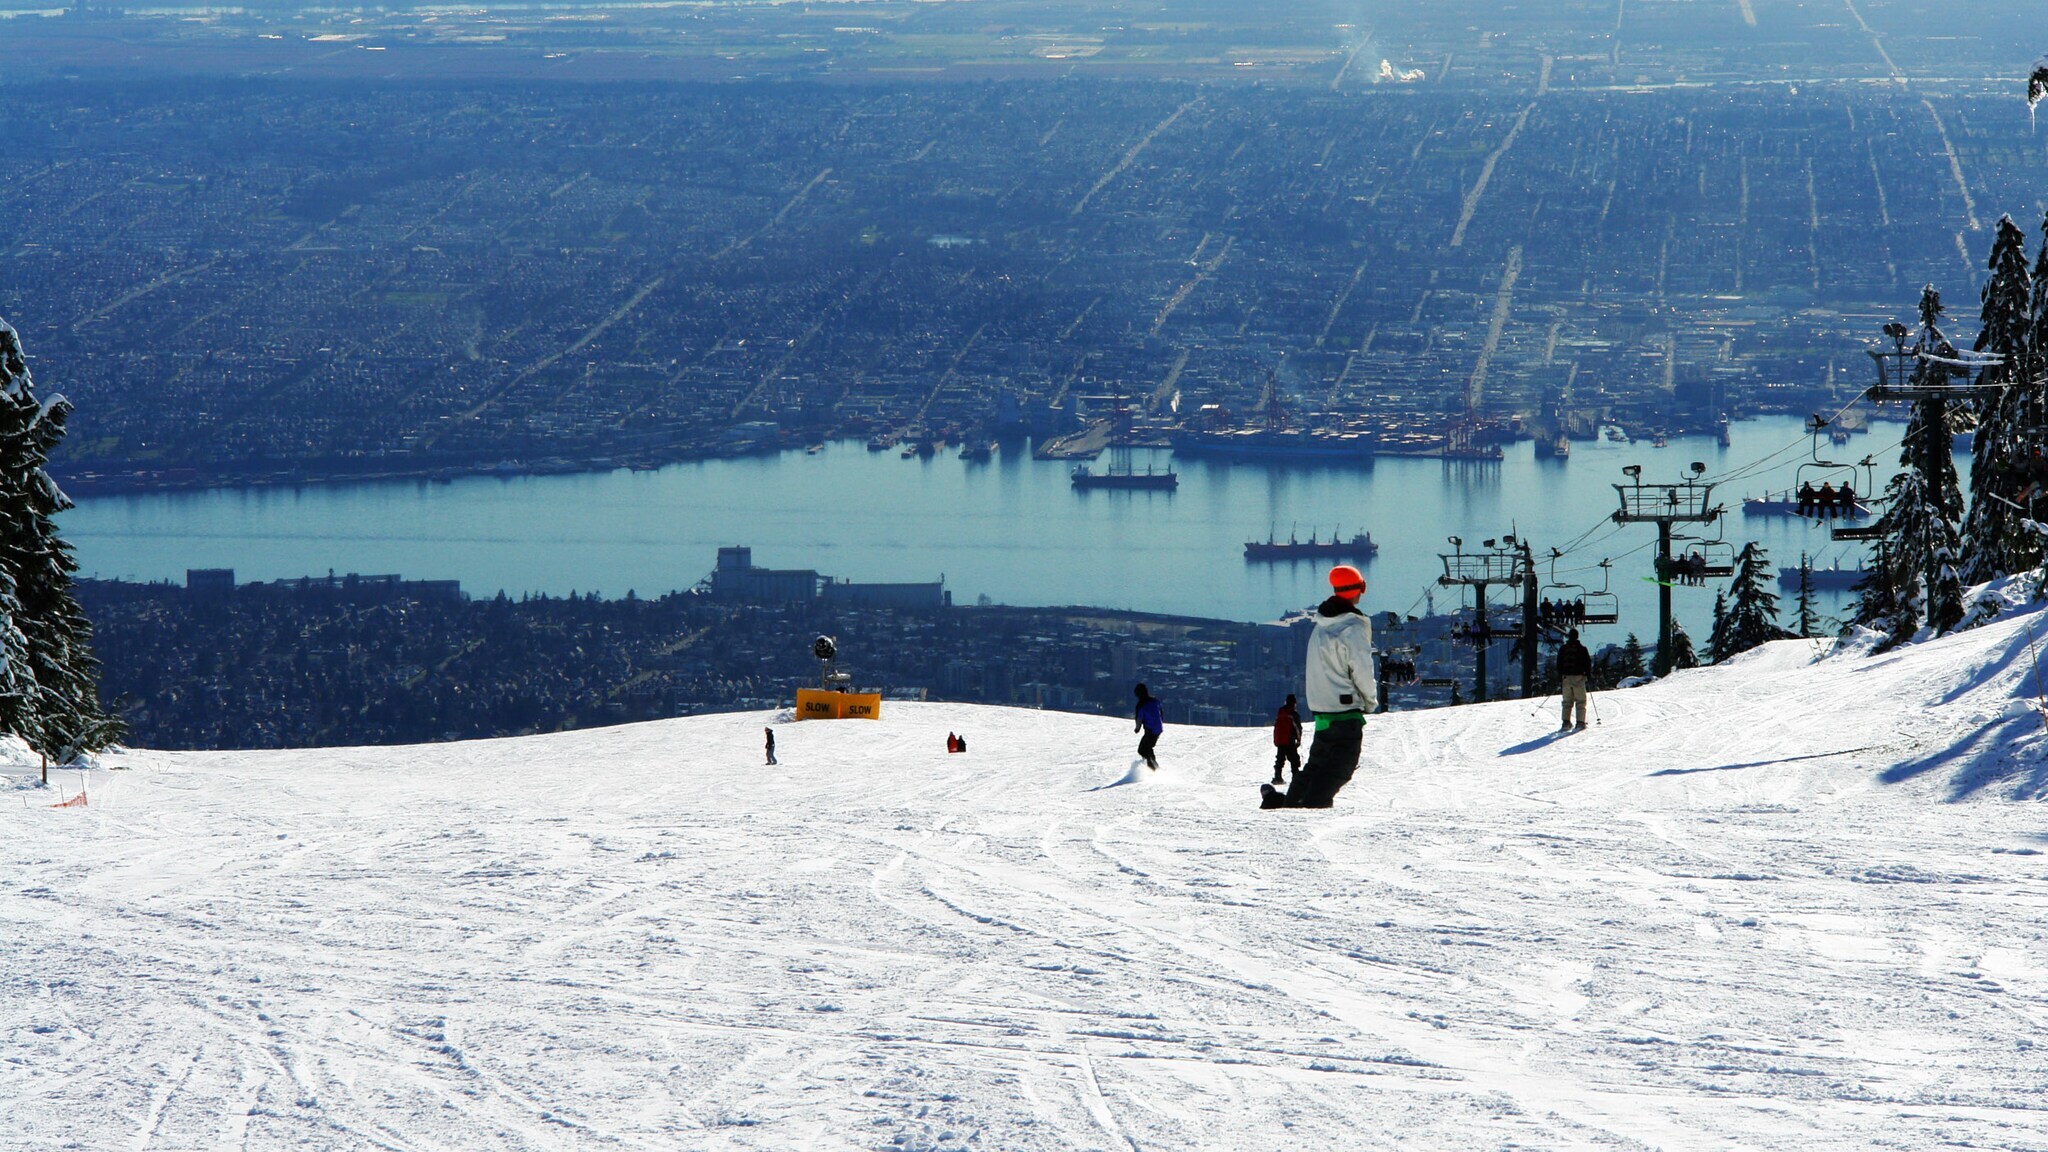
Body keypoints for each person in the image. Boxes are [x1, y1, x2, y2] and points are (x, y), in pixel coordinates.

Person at [1263, 565, 1377, 809]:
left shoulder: (1321, 626)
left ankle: (1289, 803)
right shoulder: (1352, 628)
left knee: (1317, 764)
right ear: (1360, 589)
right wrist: (1370, 700)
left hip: (1322, 709)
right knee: (1342, 766)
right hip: (1344, 708)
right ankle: (1313, 805)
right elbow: (1362, 668)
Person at [1557, 628, 1592, 731]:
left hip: (1566, 678)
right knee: (1580, 701)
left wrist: (1560, 677)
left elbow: (1559, 663)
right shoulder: (1582, 649)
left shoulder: (1563, 649)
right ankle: (1580, 723)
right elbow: (1587, 664)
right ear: (1577, 636)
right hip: (1579, 677)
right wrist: (1589, 676)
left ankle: (1566, 723)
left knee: (1567, 701)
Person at [1271, 694, 1303, 786]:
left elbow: (1276, 727)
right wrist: (1299, 739)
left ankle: (1277, 777)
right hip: (1289, 740)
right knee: (1294, 760)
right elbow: (1298, 728)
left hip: (1280, 740)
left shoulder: (1280, 712)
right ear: (1294, 703)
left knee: (1280, 759)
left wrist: (1275, 739)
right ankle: (1295, 778)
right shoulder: (1293, 714)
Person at [1132, 683, 1163, 770]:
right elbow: (1161, 711)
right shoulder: (1155, 700)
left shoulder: (1141, 705)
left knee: (1142, 750)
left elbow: (1139, 719)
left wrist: (1137, 729)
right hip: (1158, 728)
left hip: (1150, 730)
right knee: (1148, 748)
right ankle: (1154, 766)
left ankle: (1154, 769)